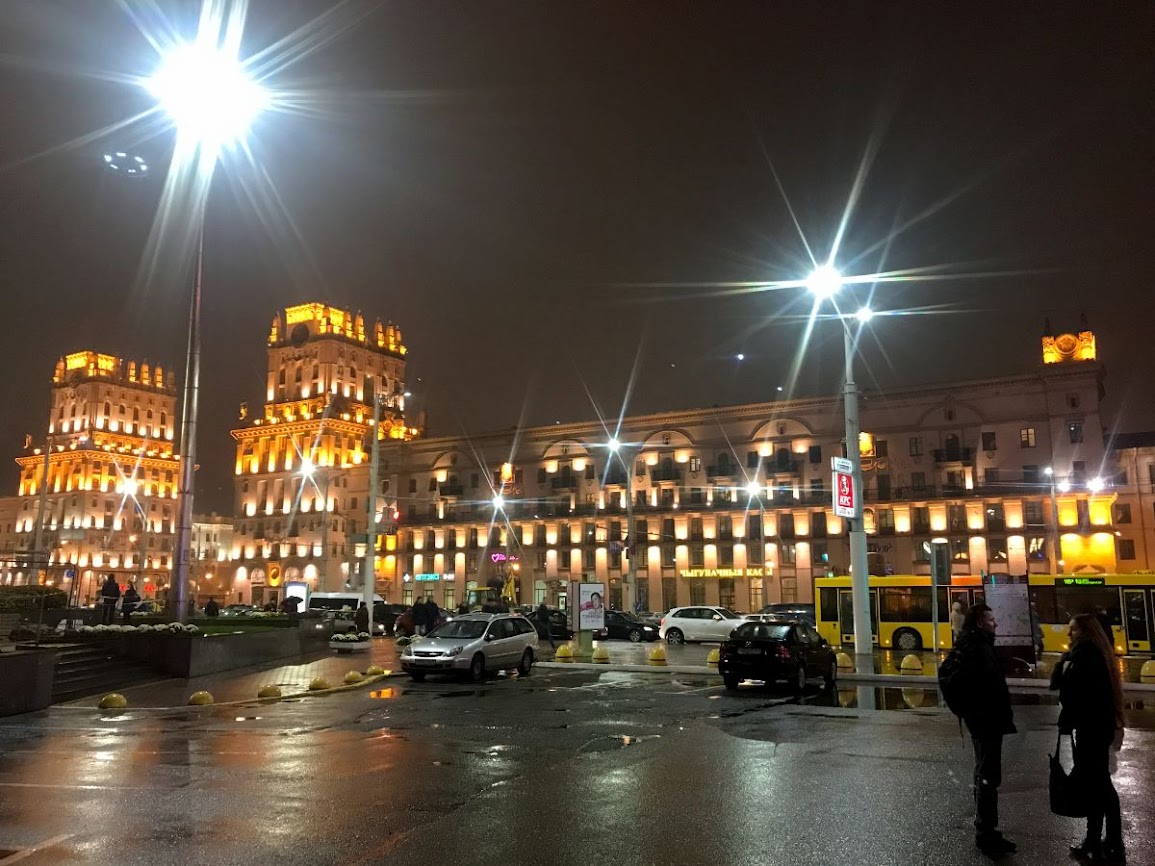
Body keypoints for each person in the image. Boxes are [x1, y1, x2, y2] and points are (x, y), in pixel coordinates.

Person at [1051, 613, 1126, 863]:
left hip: (1090, 729)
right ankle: (1101, 839)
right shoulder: (1096, 652)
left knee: (1100, 786)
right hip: (1097, 728)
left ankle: (1106, 840)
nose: (1069, 634)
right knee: (1099, 785)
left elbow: (1071, 692)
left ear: (1084, 631)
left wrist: (1063, 666)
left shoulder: (1085, 655)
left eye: (1073, 629)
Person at [953, 603, 1017, 857]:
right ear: (980, 621)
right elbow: (984, 685)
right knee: (988, 776)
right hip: (986, 722)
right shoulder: (976, 647)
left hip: (984, 721)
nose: (996, 623)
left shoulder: (974, 643)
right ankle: (986, 834)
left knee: (985, 774)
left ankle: (988, 829)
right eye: (991, 619)